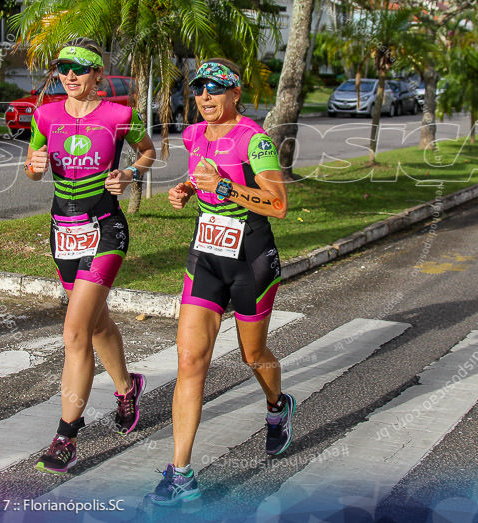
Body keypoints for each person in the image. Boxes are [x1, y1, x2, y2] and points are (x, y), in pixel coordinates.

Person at [148, 59, 290, 506]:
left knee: (253, 354)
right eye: (198, 90)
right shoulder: (193, 134)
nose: (205, 97)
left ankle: (276, 407)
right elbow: (201, 175)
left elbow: (278, 204)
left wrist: (227, 190)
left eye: (215, 88)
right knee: (189, 360)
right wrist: (188, 190)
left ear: (234, 94)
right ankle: (182, 472)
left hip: (250, 258)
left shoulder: (256, 140)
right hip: (206, 255)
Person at [25, 41, 157, 473]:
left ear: (98, 74)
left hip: (105, 228)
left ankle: (66, 436)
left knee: (75, 331)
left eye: (80, 69)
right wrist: (35, 165)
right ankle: (126, 387)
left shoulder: (119, 115)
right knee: (96, 323)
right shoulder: (45, 115)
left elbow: (150, 150)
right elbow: (32, 165)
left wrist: (130, 173)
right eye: (63, 68)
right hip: (63, 230)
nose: (70, 76)